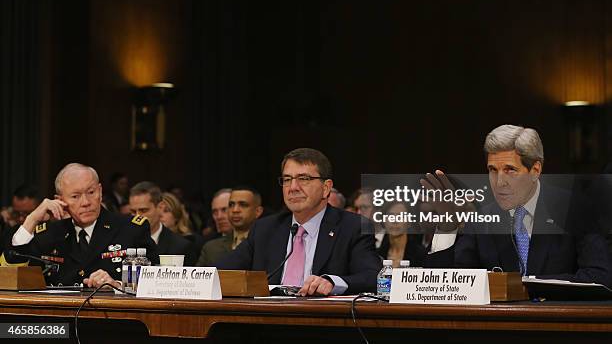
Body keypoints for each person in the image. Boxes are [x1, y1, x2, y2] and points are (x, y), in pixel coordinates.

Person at [424, 124, 612, 286]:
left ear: (535, 170)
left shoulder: (574, 209)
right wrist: (447, 227)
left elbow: (599, 277)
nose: (499, 182)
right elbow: (448, 285)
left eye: (510, 170)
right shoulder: (482, 219)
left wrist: (531, 284)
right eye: (493, 170)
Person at [217, 148, 381, 296]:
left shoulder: (352, 227)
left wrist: (332, 282)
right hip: (267, 321)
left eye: (304, 178)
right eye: (287, 179)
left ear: (326, 188)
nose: (293, 187)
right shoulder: (265, 228)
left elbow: (372, 276)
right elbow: (221, 271)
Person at [2, 163, 158, 287]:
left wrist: (117, 285)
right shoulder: (48, 235)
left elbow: (154, 281)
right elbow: (11, 272)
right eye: (75, 196)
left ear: (100, 191)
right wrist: (32, 219)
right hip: (59, 321)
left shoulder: (131, 229)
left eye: (91, 192)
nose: (85, 202)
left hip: (114, 321)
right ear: (60, 199)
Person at [128, 181, 194, 265]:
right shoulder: (122, 242)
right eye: (133, 211)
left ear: (160, 207)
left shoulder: (181, 246)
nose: (137, 216)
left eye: (144, 210)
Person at [198, 186, 263, 266]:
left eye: (243, 205)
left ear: (258, 211)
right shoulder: (211, 248)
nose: (235, 210)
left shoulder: (268, 246)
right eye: (231, 205)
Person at [377, 201, 426, 268]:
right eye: (390, 216)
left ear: (409, 222)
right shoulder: (376, 255)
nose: (395, 221)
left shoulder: (421, 255)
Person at [159, 192, 204, 262]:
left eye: (166, 211)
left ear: (176, 216)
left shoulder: (191, 242)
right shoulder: (148, 241)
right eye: (158, 210)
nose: (160, 215)